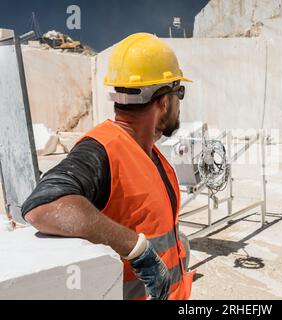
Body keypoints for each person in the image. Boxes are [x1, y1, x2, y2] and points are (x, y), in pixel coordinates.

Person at [22, 33, 195, 300]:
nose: (179, 104)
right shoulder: (101, 149)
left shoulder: (151, 155)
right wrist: (136, 249)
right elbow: (43, 207)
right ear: (163, 101)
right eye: (178, 93)